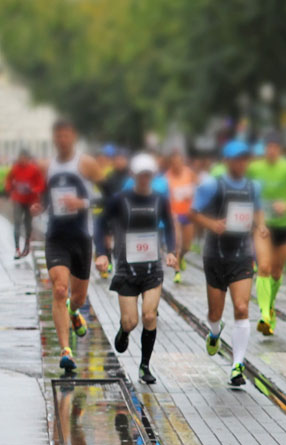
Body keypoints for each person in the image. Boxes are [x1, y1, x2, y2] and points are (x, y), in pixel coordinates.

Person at [93, 152, 176, 384]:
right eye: (140, 175)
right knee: (131, 321)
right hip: (126, 270)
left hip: (152, 269)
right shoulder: (120, 200)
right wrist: (101, 252)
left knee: (149, 315)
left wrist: (171, 251)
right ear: (133, 175)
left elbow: (169, 226)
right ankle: (124, 330)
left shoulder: (159, 199)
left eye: (148, 175)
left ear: (152, 176)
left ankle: (144, 366)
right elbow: (100, 223)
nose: (144, 179)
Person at [190, 139, 265, 388]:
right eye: (237, 159)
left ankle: (237, 365)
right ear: (227, 161)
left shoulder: (253, 186)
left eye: (245, 159)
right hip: (215, 255)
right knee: (215, 313)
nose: (241, 163)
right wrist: (212, 224)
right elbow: (193, 213)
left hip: (242, 255)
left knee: (242, 307)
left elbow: (258, 211)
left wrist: (261, 226)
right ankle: (214, 332)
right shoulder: (212, 185)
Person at [34, 119, 105, 374]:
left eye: (66, 136)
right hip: (56, 237)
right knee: (60, 289)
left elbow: (108, 197)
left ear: (73, 137)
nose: (62, 140)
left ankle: (74, 312)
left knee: (77, 297)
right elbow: (45, 197)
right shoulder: (47, 166)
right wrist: (39, 205)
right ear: (54, 139)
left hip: (81, 237)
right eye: (59, 136)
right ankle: (65, 351)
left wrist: (82, 203)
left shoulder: (86, 164)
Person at [248, 131, 286, 337]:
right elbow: (246, 192)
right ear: (264, 148)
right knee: (263, 267)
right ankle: (264, 315)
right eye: (268, 146)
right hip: (262, 226)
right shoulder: (254, 169)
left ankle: (270, 306)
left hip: (284, 226)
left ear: (279, 149)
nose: (271, 150)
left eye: (275, 147)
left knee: (277, 272)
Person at [164, 149, 198, 283]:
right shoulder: (167, 177)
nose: (177, 165)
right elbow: (165, 196)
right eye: (174, 163)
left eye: (179, 162)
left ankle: (182, 257)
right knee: (177, 243)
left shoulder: (189, 173)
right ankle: (177, 271)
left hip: (188, 214)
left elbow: (198, 189)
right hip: (174, 215)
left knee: (187, 246)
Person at [5, 149, 44, 259]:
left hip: (30, 201)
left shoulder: (34, 169)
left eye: (24, 158)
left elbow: (40, 184)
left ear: (28, 159)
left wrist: (34, 189)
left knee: (28, 224)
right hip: (18, 199)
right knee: (17, 223)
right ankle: (17, 249)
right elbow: (8, 180)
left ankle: (27, 246)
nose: (22, 160)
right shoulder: (15, 168)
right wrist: (9, 188)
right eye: (20, 158)